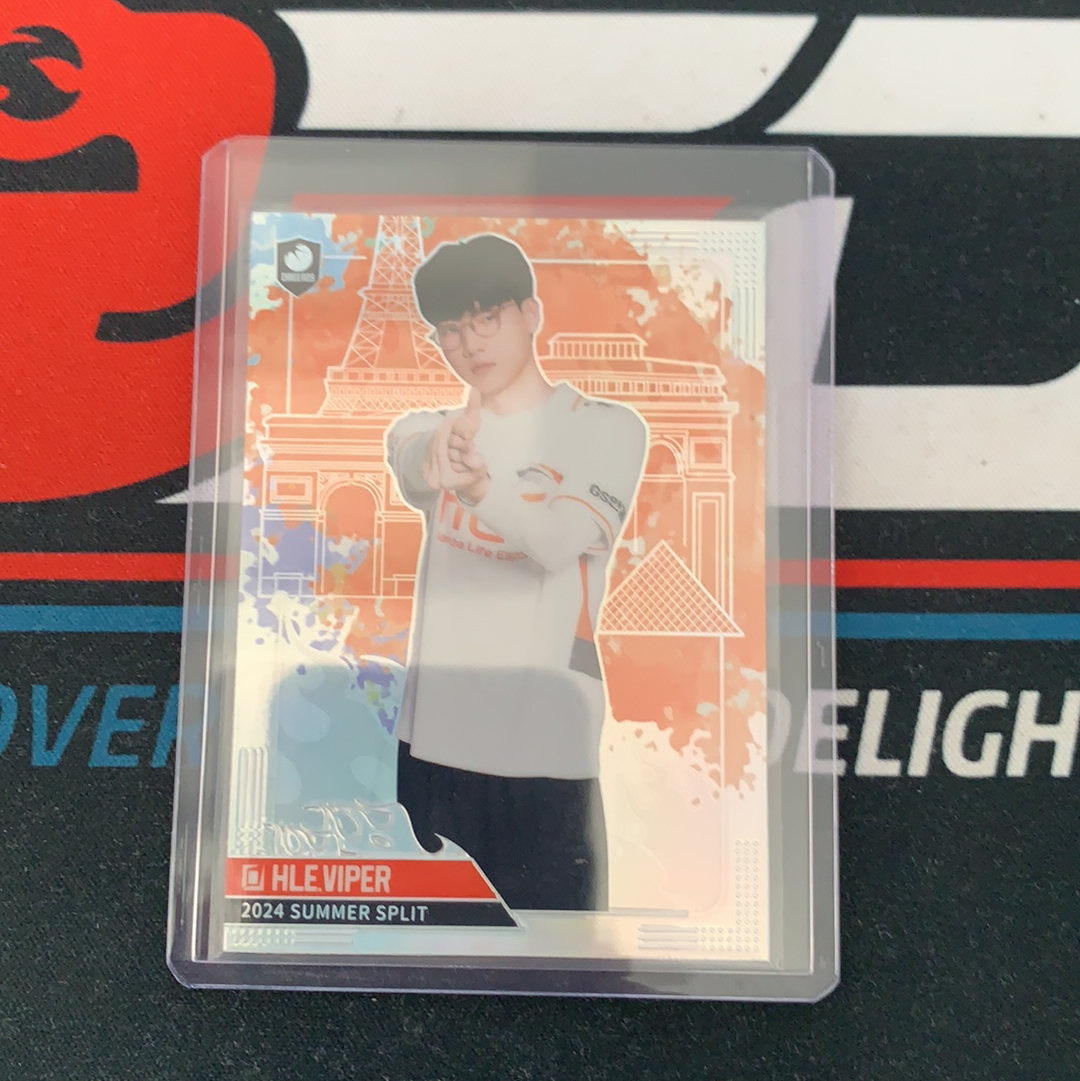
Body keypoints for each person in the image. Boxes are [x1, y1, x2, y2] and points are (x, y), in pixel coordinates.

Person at [385, 232, 647, 911]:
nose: (470, 342)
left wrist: (479, 489)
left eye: (486, 318)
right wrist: (433, 457)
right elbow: (410, 458)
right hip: (432, 748)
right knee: (417, 960)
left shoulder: (606, 428)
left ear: (530, 314)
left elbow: (558, 541)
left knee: (562, 953)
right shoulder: (432, 429)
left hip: (545, 753)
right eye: (451, 329)